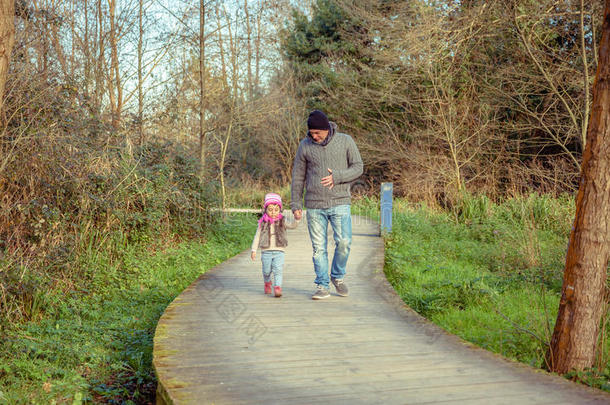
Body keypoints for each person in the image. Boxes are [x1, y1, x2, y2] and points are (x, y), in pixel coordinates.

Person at [290, 110, 363, 300]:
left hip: (340, 202)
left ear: (326, 129)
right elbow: (298, 176)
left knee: (344, 243)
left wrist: (337, 177)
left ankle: (337, 277)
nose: (314, 136)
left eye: (317, 133)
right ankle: (322, 285)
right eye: (311, 133)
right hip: (314, 205)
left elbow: (358, 167)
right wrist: (296, 202)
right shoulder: (304, 146)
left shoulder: (345, 141)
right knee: (318, 249)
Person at [250, 193, 299, 297]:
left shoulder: (283, 221)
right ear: (265, 210)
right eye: (270, 209)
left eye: (276, 210)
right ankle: (267, 282)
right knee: (266, 271)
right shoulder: (262, 223)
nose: (273, 213)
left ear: (280, 210)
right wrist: (254, 250)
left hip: (279, 250)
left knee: (278, 270)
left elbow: (292, 226)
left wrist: (297, 219)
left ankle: (277, 287)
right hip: (266, 251)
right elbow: (257, 236)